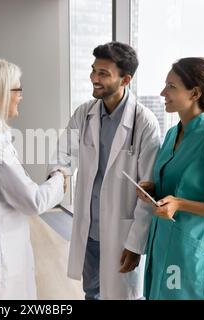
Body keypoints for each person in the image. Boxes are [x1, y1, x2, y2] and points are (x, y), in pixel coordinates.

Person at [49, 42, 161, 299]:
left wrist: (135, 244)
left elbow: (148, 189)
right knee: (91, 292)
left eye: (103, 73)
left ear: (126, 79)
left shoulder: (144, 122)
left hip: (122, 231)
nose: (94, 78)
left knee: (122, 296)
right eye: (93, 71)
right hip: (89, 228)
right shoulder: (84, 113)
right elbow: (63, 154)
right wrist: (59, 174)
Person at [137, 57, 204, 299]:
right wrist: (153, 190)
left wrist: (180, 204)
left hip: (188, 255)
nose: (162, 92)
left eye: (171, 87)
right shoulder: (171, 134)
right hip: (160, 244)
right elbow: (178, 187)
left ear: (195, 92)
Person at [0, 57, 66, 299]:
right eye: (18, 90)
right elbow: (33, 201)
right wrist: (60, 178)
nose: (21, 96)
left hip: (3, 246)